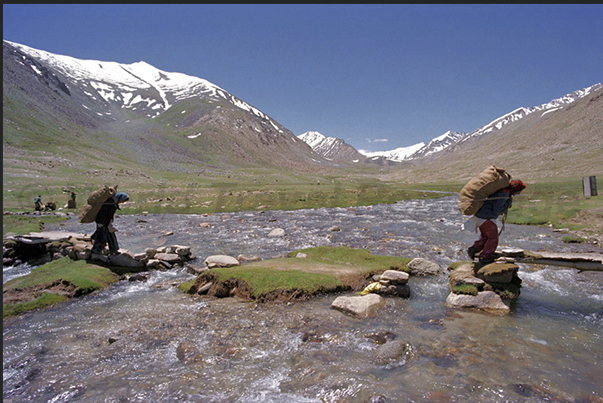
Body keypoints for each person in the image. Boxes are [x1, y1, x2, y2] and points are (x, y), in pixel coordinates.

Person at [465, 180, 526, 264]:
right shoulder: (504, 194)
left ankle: (474, 249)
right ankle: (485, 256)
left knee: (486, 236)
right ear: (516, 188)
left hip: (480, 216)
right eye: (519, 191)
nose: (518, 193)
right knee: (493, 237)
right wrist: (507, 205)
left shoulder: (502, 192)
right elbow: (497, 209)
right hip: (487, 217)